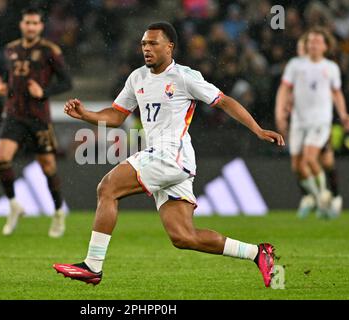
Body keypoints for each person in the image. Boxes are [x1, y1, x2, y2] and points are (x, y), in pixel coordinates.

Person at [53, 22, 284, 287]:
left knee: (107, 187)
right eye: (143, 44)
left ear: (170, 47)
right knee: (184, 237)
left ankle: (93, 266)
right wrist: (86, 115)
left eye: (153, 43)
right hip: (168, 160)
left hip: (171, 154)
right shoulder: (137, 77)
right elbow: (117, 115)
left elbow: (224, 101)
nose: (146, 49)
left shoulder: (185, 77)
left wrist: (257, 129)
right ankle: (258, 253)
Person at [0, 7, 72, 237]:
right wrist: (3, 89)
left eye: (35, 23)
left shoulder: (50, 50)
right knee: (1, 158)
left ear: (40, 26)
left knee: (48, 166)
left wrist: (44, 91)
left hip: (39, 117)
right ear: (22, 24)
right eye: (27, 22)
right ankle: (14, 205)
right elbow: (12, 81)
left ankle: (58, 212)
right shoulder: (10, 49)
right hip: (14, 115)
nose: (31, 27)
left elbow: (67, 82)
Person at [275, 28, 349, 219]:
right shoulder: (295, 65)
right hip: (299, 122)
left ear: (325, 46)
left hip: (320, 121)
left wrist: (343, 114)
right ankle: (320, 199)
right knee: (297, 166)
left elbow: (336, 93)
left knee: (311, 159)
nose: (314, 44)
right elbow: (285, 89)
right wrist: (280, 114)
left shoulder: (331, 68)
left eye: (318, 41)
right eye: (311, 41)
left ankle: (325, 196)